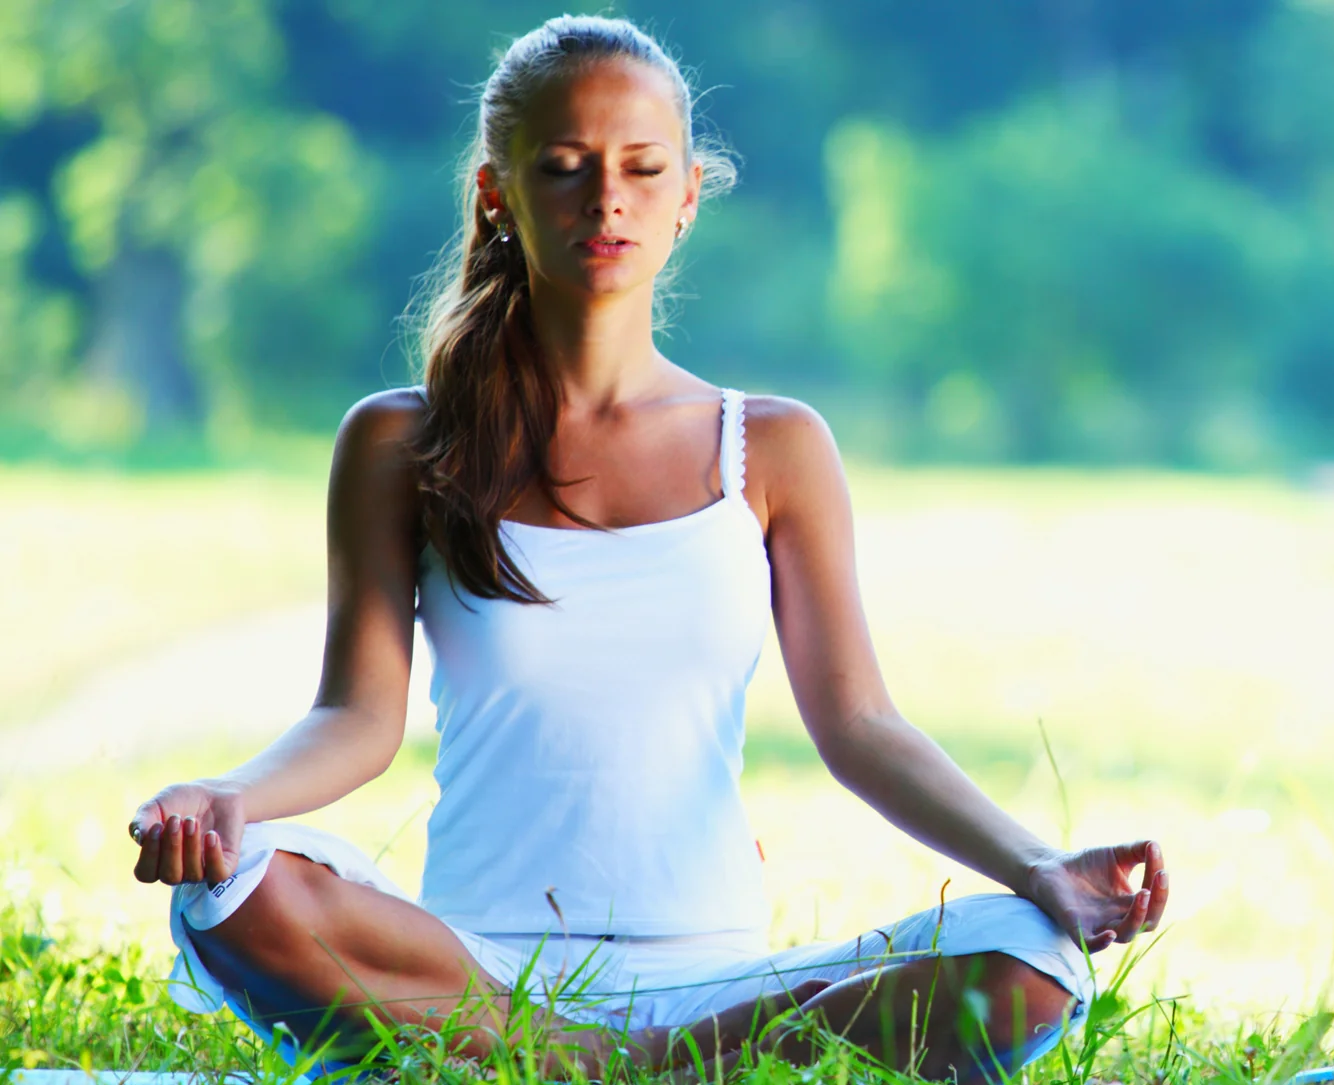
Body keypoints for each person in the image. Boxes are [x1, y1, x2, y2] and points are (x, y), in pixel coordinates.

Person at [123, 15, 1167, 1082]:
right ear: (499, 193)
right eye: (565, 167)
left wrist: (1039, 865)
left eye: (640, 167)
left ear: (687, 196)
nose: (606, 198)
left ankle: (590, 1060)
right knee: (234, 888)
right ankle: (610, 1058)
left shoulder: (774, 446)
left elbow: (859, 725)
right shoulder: (401, 439)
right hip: (468, 967)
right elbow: (356, 717)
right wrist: (232, 798)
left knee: (1027, 960)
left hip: (721, 979)